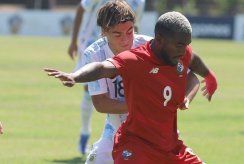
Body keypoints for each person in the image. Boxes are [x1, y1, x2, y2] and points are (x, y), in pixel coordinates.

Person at [44, 11, 218, 163]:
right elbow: (103, 68)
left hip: (170, 147)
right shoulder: (135, 59)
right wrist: (75, 76)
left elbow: (193, 62)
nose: (184, 50)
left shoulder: (180, 52)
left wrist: (209, 77)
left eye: (187, 44)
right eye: (180, 45)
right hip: (135, 146)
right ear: (160, 40)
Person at [78, 2, 200, 163]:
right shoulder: (93, 55)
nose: (126, 39)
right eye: (117, 34)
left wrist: (186, 98)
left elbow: (192, 77)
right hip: (117, 129)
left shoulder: (152, 46)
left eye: (130, 32)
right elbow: (101, 104)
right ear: (104, 32)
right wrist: (147, 104)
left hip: (158, 131)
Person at [68, 0, 146, 154]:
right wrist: (74, 41)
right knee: (89, 89)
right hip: (92, 43)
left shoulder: (138, 3)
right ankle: (85, 131)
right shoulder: (93, 51)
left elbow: (134, 26)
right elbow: (81, 9)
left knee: (122, 89)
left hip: (122, 45)